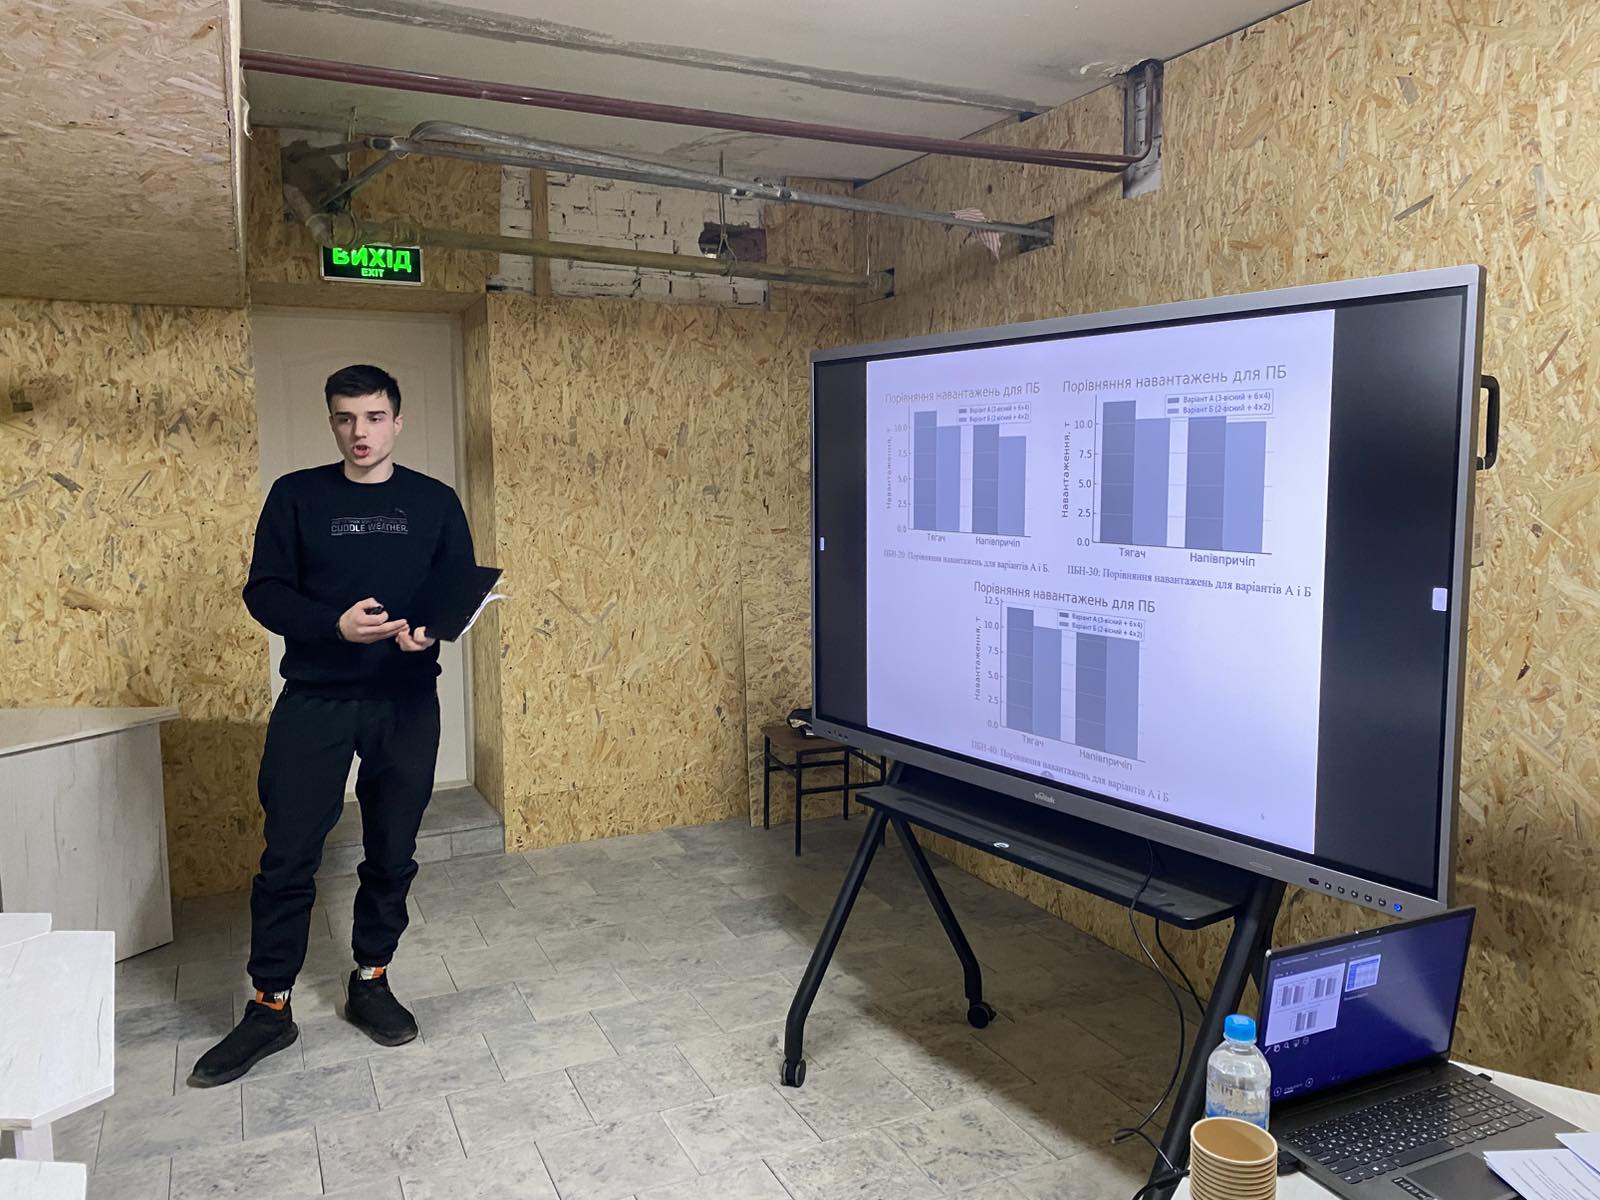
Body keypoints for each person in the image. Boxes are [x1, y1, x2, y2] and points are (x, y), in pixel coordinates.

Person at [189, 364, 475, 1086]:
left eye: (374, 417)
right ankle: (269, 1007)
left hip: (404, 701)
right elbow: (264, 591)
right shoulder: (297, 496)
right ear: (331, 423)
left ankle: (371, 979)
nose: (360, 432)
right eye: (346, 418)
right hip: (316, 698)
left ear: (397, 421)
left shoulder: (435, 501)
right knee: (288, 855)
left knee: (392, 850)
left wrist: (428, 634)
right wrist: (332, 626)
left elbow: (454, 592)